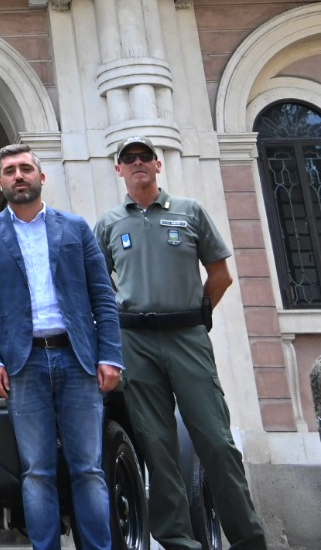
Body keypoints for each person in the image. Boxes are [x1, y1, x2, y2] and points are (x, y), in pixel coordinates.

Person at [93, 137, 268, 550]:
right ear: (119, 170)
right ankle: (177, 541)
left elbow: (220, 274)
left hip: (186, 336)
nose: (137, 164)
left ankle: (247, 538)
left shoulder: (189, 212)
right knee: (157, 447)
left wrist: (198, 314)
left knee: (216, 441)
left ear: (158, 166)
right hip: (134, 340)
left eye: (144, 158)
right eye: (128, 160)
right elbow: (99, 286)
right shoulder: (108, 223)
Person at [0, 144, 122, 550]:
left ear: (41, 176)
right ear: (0, 182)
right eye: (10, 171)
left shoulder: (75, 227)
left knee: (89, 469)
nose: (19, 176)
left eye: (25, 168)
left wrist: (110, 355)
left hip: (78, 358)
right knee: (36, 471)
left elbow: (102, 295)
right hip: (23, 363)